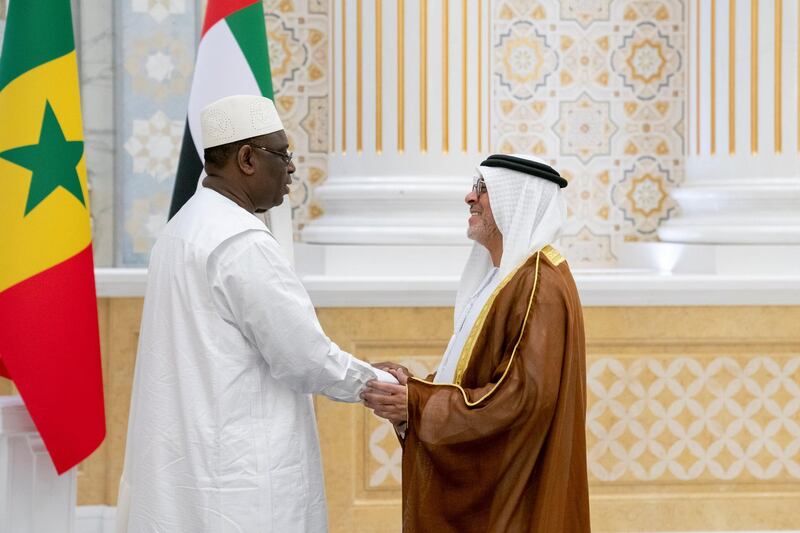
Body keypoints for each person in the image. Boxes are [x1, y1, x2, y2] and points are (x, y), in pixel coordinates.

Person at [116, 95, 396, 532]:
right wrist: (376, 383)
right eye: (282, 155)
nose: (291, 170)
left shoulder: (181, 229)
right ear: (247, 158)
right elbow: (302, 356)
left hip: (191, 467)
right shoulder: (240, 241)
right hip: (240, 481)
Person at [363, 154, 591, 532]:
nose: (470, 197)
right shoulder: (507, 277)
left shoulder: (539, 283)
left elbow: (521, 400)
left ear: (515, 201)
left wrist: (418, 404)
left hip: (516, 498)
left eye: (483, 189)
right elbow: (474, 375)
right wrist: (413, 390)